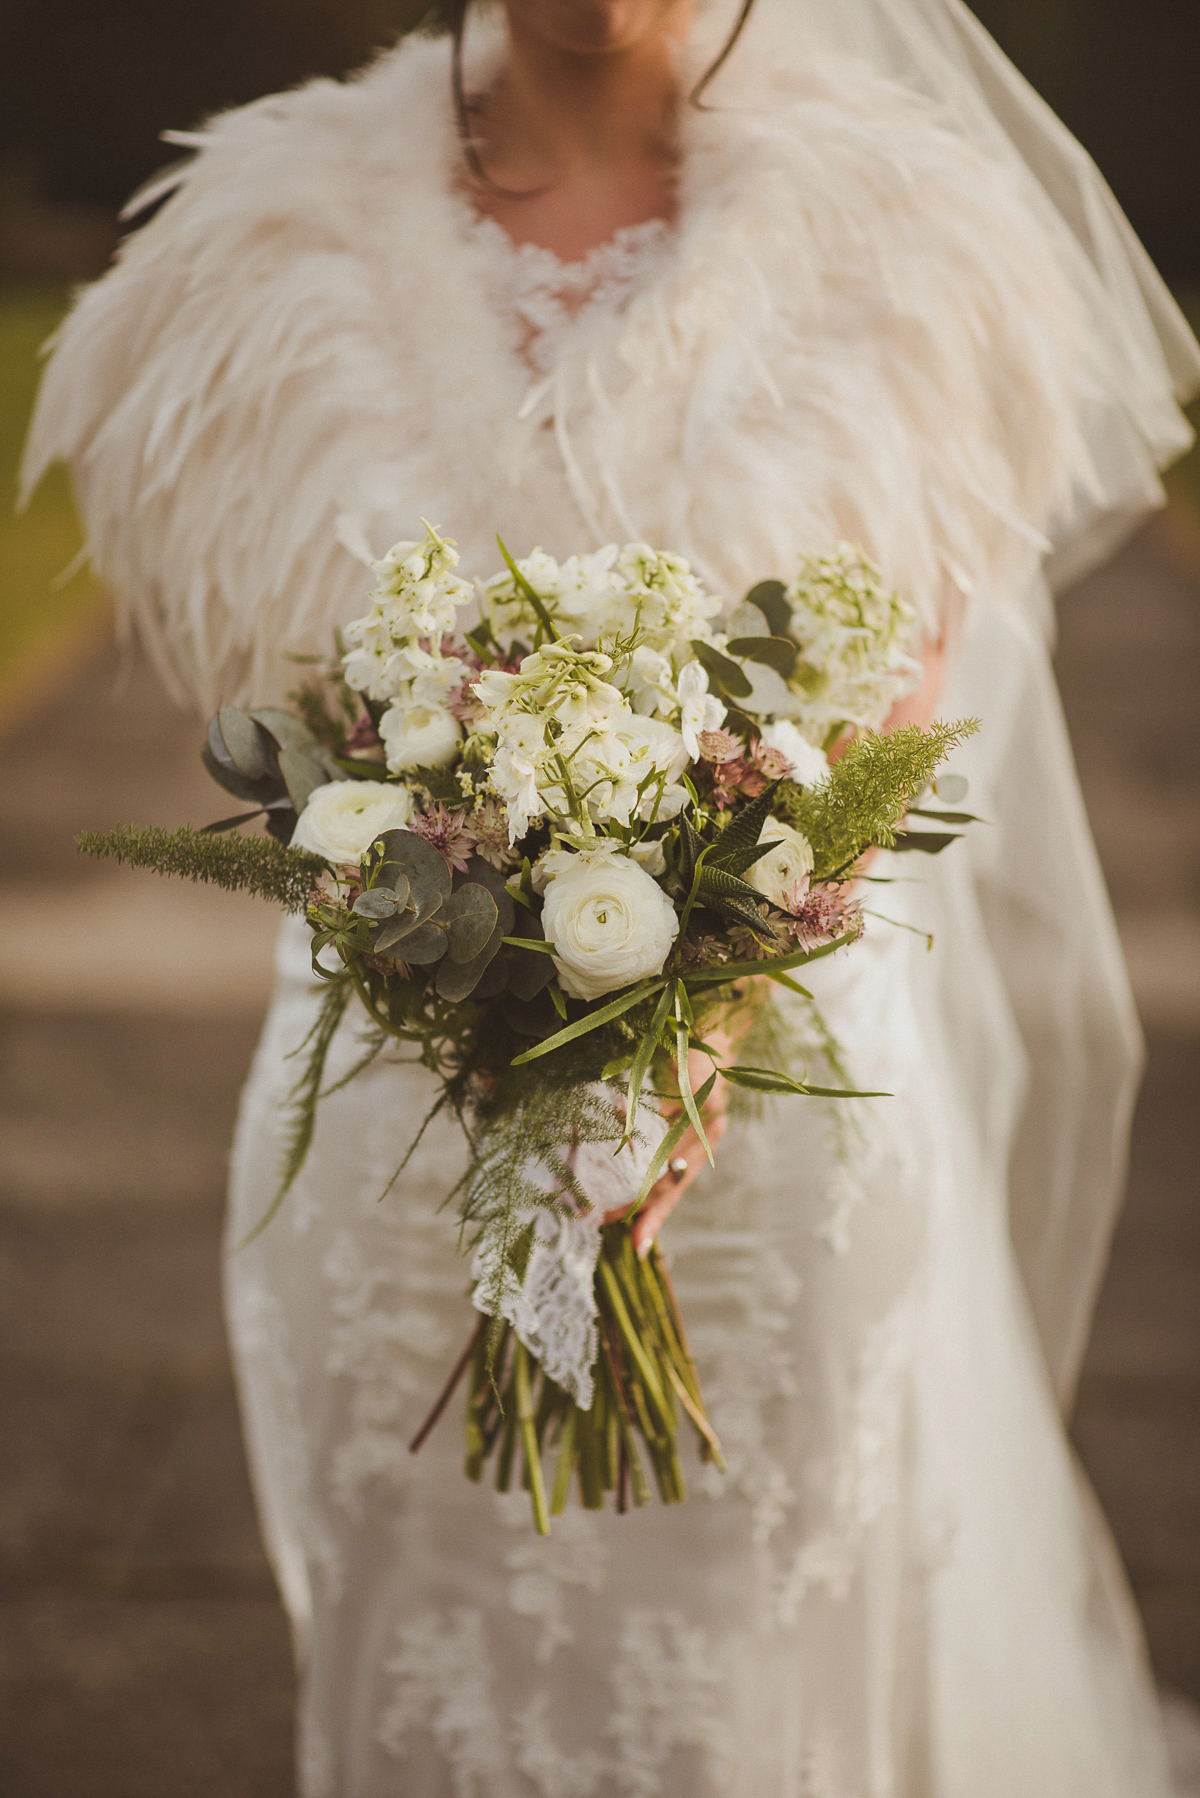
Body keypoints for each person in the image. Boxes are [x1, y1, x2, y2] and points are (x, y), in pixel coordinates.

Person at [23, 1, 1200, 1792]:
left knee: (758, 1670)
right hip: (401, 1114)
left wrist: (695, 1017)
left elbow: (900, 708)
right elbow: (291, 718)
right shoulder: (275, 248)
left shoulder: (906, 239)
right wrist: (466, 942)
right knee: (425, 1622)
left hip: (765, 1134)